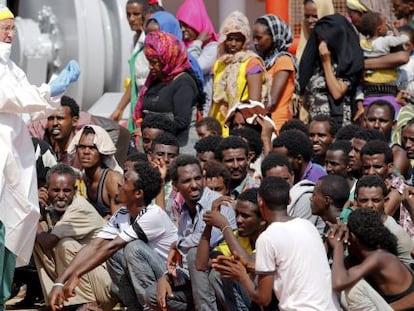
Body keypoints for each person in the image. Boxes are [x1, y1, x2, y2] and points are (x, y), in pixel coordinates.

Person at [0, 5, 79, 309]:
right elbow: (12, 97)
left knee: (12, 226)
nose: (10, 35)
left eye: (12, 30)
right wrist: (49, 90)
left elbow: (30, 101)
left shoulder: (11, 68)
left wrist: (52, 92)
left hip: (13, 165)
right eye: (5, 29)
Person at [48, 161, 180, 311]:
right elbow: (94, 246)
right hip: (149, 279)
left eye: (125, 181)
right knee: (115, 252)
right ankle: (134, 307)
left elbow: (111, 247)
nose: (119, 184)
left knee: (132, 247)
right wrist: (60, 281)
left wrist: (77, 274)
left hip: (172, 277)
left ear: (138, 193)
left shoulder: (152, 214)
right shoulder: (122, 214)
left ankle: (149, 308)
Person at [212, 177, 339, 310]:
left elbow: (263, 298)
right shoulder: (307, 226)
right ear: (289, 200)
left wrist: (242, 276)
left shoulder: (267, 238)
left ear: (260, 202)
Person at [158, 155, 236, 311]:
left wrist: (177, 244)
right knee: (154, 295)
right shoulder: (185, 211)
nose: (194, 185)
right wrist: (166, 276)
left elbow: (202, 244)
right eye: (187, 181)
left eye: (198, 178)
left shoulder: (218, 202)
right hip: (198, 279)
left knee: (195, 253)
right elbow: (184, 256)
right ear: (175, 186)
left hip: (223, 275)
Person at [34, 164, 113, 310]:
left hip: (104, 283)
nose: (61, 195)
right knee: (40, 235)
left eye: (67, 190)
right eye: (56, 190)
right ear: (46, 190)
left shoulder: (79, 208)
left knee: (65, 244)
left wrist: (33, 216)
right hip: (84, 278)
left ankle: (85, 303)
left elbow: (48, 242)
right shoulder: (56, 209)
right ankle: (57, 300)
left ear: (75, 191)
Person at [196, 188, 269, 311]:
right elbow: (201, 264)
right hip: (251, 299)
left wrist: (224, 226)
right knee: (215, 268)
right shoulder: (239, 237)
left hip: (268, 302)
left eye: (245, 216)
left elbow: (249, 263)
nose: (238, 220)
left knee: (222, 274)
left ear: (262, 220)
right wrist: (210, 223)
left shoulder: (270, 238)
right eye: (237, 214)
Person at [328, 208, 414, 310]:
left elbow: (339, 283)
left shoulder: (380, 257)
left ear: (352, 237)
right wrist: (329, 239)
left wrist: (338, 246)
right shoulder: (366, 257)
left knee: (352, 289)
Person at [133, 31, 203, 154]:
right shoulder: (155, 80)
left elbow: (181, 122)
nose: (150, 67)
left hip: (177, 150)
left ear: (168, 59)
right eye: (149, 62)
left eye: (155, 62)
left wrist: (148, 129)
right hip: (153, 148)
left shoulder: (183, 83)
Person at [29, 95, 133, 169]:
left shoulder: (83, 142)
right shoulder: (39, 131)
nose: (55, 123)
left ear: (74, 121)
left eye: (60, 118)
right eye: (51, 118)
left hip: (118, 137)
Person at [299, 13, 364, 126]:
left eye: (325, 38)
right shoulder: (315, 63)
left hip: (338, 126)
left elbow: (337, 93)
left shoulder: (348, 62)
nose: (322, 43)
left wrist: (326, 62)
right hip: (315, 124)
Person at [209, 11, 269, 127]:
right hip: (218, 125)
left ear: (245, 40)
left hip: (239, 124)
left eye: (238, 39)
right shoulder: (220, 63)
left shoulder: (252, 62)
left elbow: (254, 103)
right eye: (229, 39)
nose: (233, 43)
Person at [67, 125, 123, 218]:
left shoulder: (112, 180)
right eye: (82, 147)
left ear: (101, 152)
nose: (86, 152)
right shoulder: (82, 179)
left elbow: (121, 221)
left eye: (92, 148)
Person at [359, 11, 409, 114]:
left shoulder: (362, 44)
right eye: (385, 24)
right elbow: (403, 39)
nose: (387, 26)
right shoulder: (385, 41)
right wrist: (396, 31)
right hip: (388, 88)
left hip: (369, 90)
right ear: (380, 29)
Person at [110, 0, 149, 131]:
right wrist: (119, 109)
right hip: (136, 102)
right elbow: (134, 80)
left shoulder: (148, 41)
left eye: (136, 14)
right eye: (128, 14)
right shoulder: (135, 40)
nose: (131, 19)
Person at [253, 14, 296, 130]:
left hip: (277, 125)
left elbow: (272, 102)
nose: (255, 42)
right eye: (254, 38)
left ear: (274, 37)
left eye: (259, 38)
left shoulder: (283, 61)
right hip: (262, 122)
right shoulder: (260, 62)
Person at [176, 0, 218, 115]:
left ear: (198, 22)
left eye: (187, 25)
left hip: (203, 112)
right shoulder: (181, 46)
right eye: (180, 25)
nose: (183, 29)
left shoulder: (213, 47)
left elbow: (194, 67)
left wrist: (197, 42)